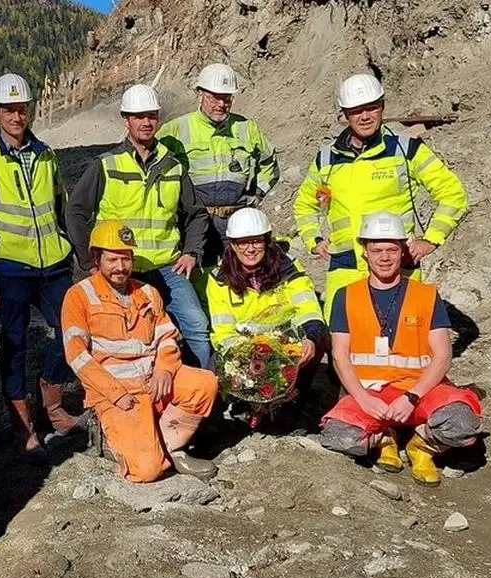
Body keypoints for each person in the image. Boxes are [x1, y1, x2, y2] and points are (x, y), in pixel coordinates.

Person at [0, 73, 80, 460]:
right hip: (9, 267)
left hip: (53, 263)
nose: (16, 115)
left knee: (72, 329)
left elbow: (61, 206)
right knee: (14, 346)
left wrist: (77, 254)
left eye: (21, 108)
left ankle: (53, 401)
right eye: (8, 109)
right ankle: (23, 426)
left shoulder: (45, 154)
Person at [319, 213, 482, 486]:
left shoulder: (426, 295)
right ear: (365, 252)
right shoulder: (346, 296)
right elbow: (339, 355)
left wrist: (411, 398)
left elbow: (442, 356)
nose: (384, 257)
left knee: (463, 424)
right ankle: (385, 437)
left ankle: (422, 446)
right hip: (371, 394)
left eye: (392, 249)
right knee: (337, 435)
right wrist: (362, 398)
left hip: (421, 391)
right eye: (377, 250)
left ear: (403, 251)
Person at [293, 73, 468, 319]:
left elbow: (453, 194)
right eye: (356, 111)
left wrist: (431, 239)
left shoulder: (406, 150)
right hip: (346, 269)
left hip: (396, 268)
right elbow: (304, 206)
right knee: (342, 345)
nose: (365, 116)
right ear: (345, 114)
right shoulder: (326, 160)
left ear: (383, 107)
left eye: (372, 108)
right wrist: (314, 240)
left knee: (405, 343)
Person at [65, 84, 214, 370]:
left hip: (167, 267)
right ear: (126, 120)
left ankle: (197, 395)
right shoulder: (106, 165)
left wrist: (192, 252)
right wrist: (90, 262)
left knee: (196, 326)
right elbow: (75, 211)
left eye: (152, 116)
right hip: (121, 270)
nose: (146, 122)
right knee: (123, 336)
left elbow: (196, 214)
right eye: (139, 116)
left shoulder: (173, 166)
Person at [61, 220, 218, 483]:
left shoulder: (147, 292)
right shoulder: (79, 296)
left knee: (205, 383)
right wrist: (115, 394)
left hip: (152, 381)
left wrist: (164, 370)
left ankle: (169, 446)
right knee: (147, 471)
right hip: (117, 393)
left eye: (126, 258)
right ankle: (109, 436)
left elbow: (167, 335)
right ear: (97, 258)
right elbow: (77, 356)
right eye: (112, 259)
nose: (120, 267)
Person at [158, 64, 279, 281]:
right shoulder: (176, 130)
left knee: (241, 280)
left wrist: (257, 194)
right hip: (195, 222)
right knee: (196, 280)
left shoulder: (247, 128)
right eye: (215, 97)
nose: (221, 104)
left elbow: (270, 163)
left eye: (227, 98)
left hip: (234, 221)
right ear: (200, 94)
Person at [207, 208, 326, 398]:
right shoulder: (219, 279)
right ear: (233, 245)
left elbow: (309, 308)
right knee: (214, 368)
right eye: (243, 242)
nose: (250, 248)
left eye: (256, 240)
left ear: (267, 240)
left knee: (319, 341)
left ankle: (297, 400)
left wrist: (310, 338)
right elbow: (223, 331)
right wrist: (246, 355)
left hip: (287, 345)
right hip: (244, 349)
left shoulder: (289, 268)